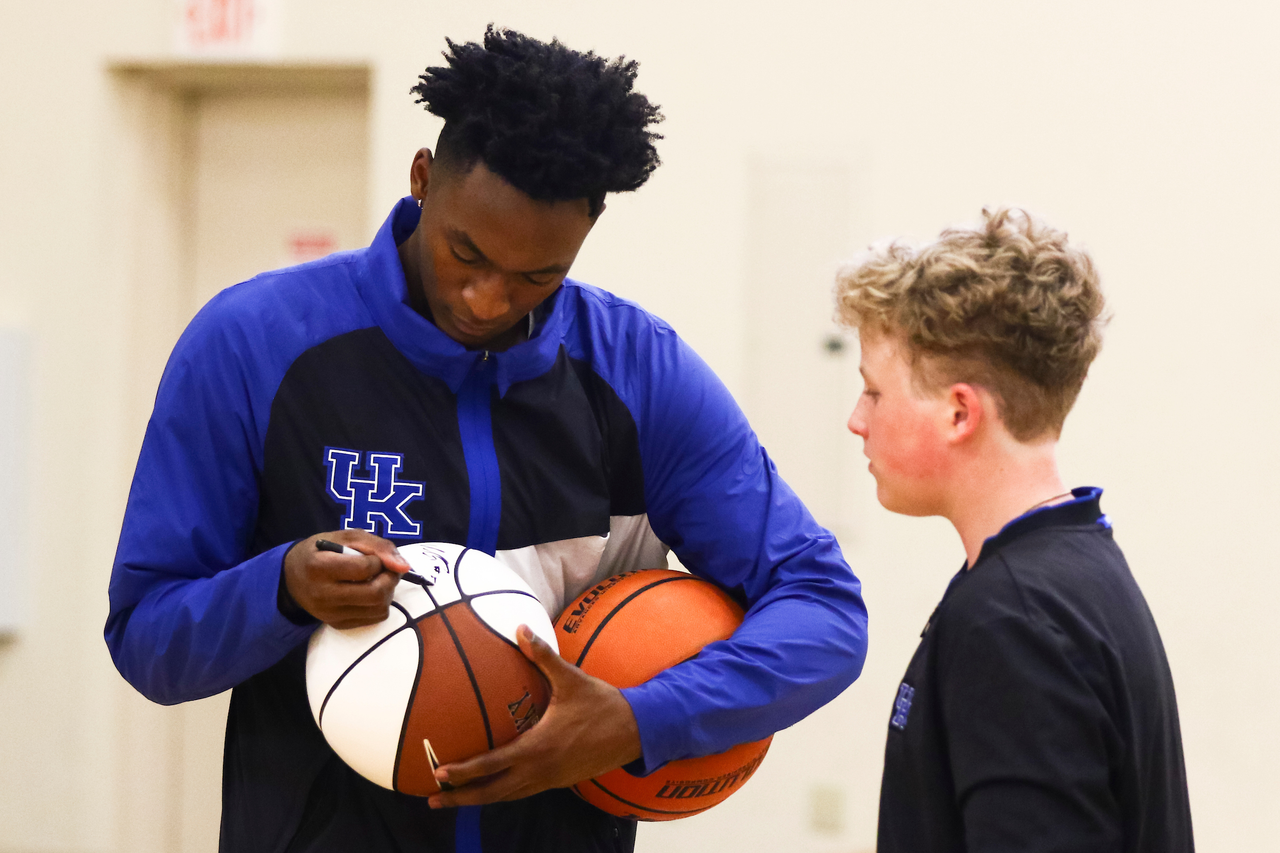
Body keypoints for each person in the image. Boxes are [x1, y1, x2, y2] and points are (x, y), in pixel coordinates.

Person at [105, 26, 868, 853]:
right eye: (464, 251)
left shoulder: (641, 375)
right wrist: (282, 588)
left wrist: (637, 719)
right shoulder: (251, 344)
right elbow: (147, 637)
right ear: (423, 179)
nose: (487, 297)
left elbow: (823, 611)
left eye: (537, 274)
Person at [836, 208, 1193, 852]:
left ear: (958, 412)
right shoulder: (1083, 569)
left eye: (875, 393)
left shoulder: (1012, 621)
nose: (856, 421)